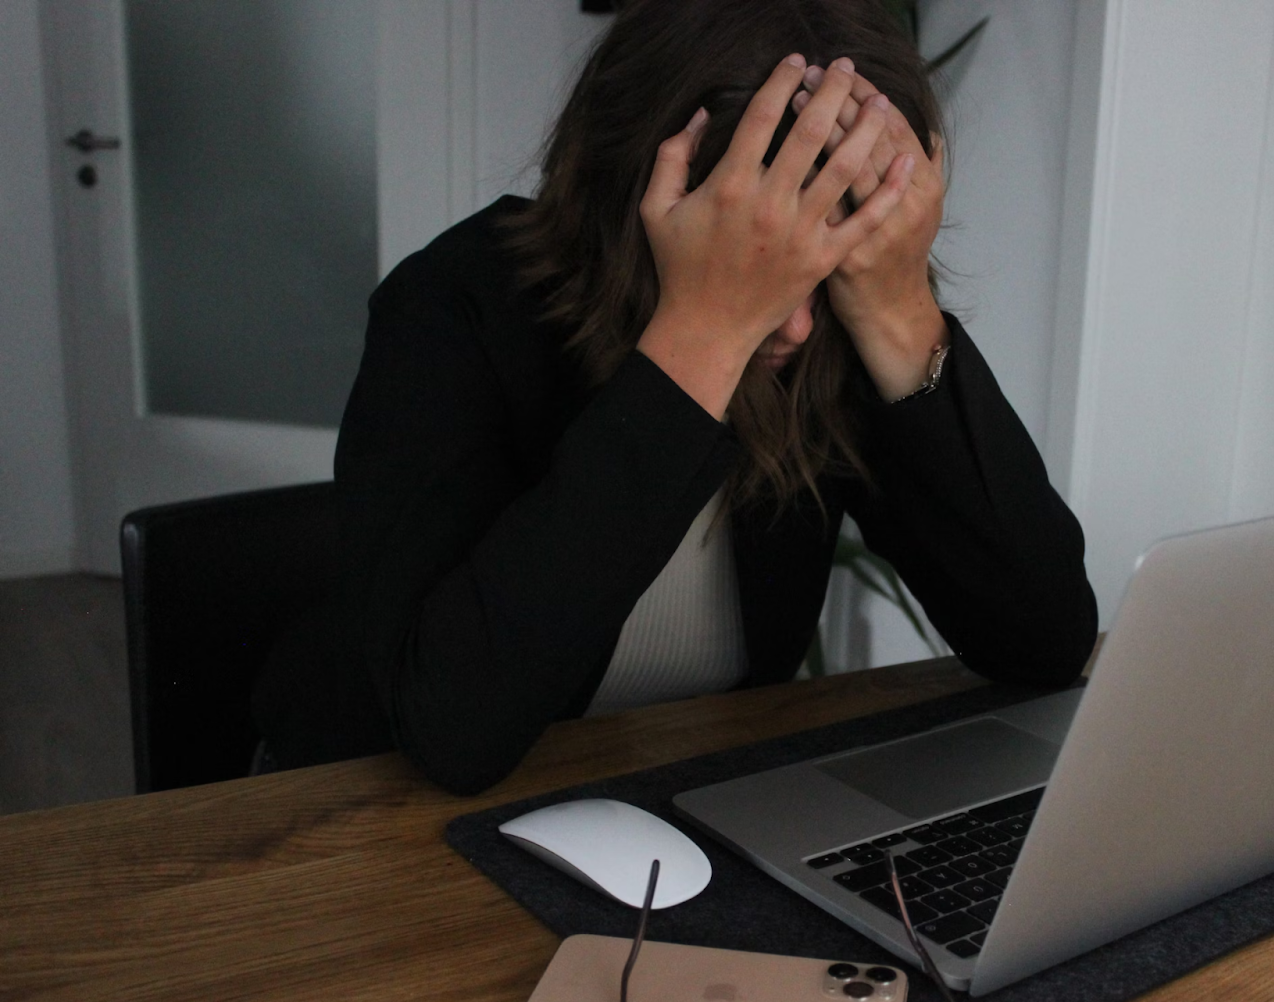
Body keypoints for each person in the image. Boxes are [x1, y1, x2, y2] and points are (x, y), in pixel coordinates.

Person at [252, 0, 1097, 795]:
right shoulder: (451, 304)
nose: (797, 327)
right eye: (757, 255)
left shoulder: (840, 325)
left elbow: (1043, 643)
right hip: (359, 815)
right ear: (635, 199)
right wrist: (703, 339)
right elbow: (453, 729)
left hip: (666, 800)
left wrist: (899, 309)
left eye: (828, 257)